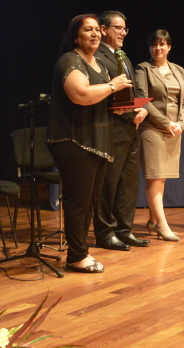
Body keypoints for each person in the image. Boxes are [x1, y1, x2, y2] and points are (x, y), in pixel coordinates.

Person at [47, 15, 133, 273]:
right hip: (74, 141)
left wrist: (118, 106)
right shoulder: (70, 61)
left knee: (91, 201)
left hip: (96, 141)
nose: (95, 34)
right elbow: (81, 94)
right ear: (76, 35)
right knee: (79, 201)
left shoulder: (98, 64)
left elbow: (100, 98)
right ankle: (77, 255)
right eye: (88, 30)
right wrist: (112, 86)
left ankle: (80, 251)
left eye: (97, 29)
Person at [92, 11, 149, 251]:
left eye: (125, 29)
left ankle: (124, 230)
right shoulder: (97, 56)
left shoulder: (123, 57)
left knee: (128, 184)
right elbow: (100, 92)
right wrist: (127, 112)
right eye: (118, 28)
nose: (123, 33)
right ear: (104, 30)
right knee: (109, 185)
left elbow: (131, 93)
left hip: (130, 129)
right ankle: (105, 232)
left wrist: (141, 110)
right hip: (111, 130)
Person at [135, 30, 184, 242]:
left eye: (162, 44)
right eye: (154, 44)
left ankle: (152, 220)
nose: (158, 48)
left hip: (174, 129)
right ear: (150, 48)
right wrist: (166, 122)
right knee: (155, 177)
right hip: (152, 128)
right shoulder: (143, 68)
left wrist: (180, 124)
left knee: (162, 177)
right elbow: (142, 99)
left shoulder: (178, 70)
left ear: (169, 47)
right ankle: (161, 224)